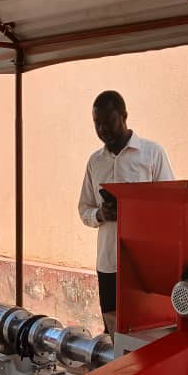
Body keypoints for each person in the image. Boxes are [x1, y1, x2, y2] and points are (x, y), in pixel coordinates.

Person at [78, 90, 174, 336]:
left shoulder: (152, 154)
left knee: (146, 332)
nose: (103, 129)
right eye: (97, 124)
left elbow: (170, 205)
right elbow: (84, 208)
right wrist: (100, 214)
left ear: (124, 116)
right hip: (108, 262)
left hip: (144, 263)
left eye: (108, 122)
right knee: (114, 332)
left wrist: (135, 210)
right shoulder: (95, 162)